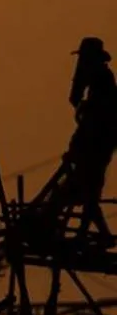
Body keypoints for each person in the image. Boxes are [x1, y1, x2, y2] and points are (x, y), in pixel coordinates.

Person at [66, 36, 117, 239]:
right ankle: (88, 231)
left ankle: (98, 233)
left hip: (98, 144)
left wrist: (75, 146)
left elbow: (94, 120)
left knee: (89, 188)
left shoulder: (102, 79)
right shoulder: (100, 79)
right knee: (90, 190)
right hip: (99, 142)